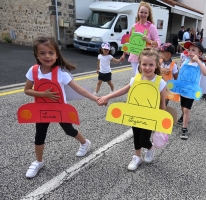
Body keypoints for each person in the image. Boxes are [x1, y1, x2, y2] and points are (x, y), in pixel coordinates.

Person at [24, 37, 100, 178]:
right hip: (41, 110)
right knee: (39, 135)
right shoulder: (33, 71)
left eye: (51, 53)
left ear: (56, 54)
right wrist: (44, 94)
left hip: (60, 109)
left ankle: (85, 143)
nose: (47, 56)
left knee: (69, 130)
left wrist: (96, 98)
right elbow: (27, 90)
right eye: (42, 53)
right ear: (37, 55)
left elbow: (79, 90)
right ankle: (38, 162)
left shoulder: (61, 73)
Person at [98, 48, 167, 170]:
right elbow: (123, 90)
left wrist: (161, 121)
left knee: (143, 140)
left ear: (156, 65)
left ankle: (149, 148)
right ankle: (137, 157)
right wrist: (108, 96)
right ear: (139, 64)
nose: (147, 67)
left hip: (150, 116)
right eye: (144, 64)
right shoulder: (136, 79)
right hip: (135, 113)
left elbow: (162, 103)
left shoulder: (160, 82)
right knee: (136, 136)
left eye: (151, 64)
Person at [177, 42, 206, 139]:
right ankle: (183, 116)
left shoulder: (201, 64)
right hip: (183, 89)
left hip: (192, 91)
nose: (190, 52)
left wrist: (198, 61)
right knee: (182, 106)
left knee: (186, 108)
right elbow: (180, 74)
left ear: (200, 54)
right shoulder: (185, 62)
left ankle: (184, 129)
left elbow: (205, 73)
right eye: (189, 50)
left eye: (193, 50)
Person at [120, 1, 160, 75]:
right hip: (134, 57)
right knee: (137, 77)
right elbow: (129, 41)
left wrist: (149, 41)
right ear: (138, 12)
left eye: (145, 13)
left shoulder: (151, 27)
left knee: (143, 78)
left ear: (148, 14)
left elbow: (158, 42)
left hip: (146, 57)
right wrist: (124, 54)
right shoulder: (134, 26)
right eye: (141, 12)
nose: (143, 14)